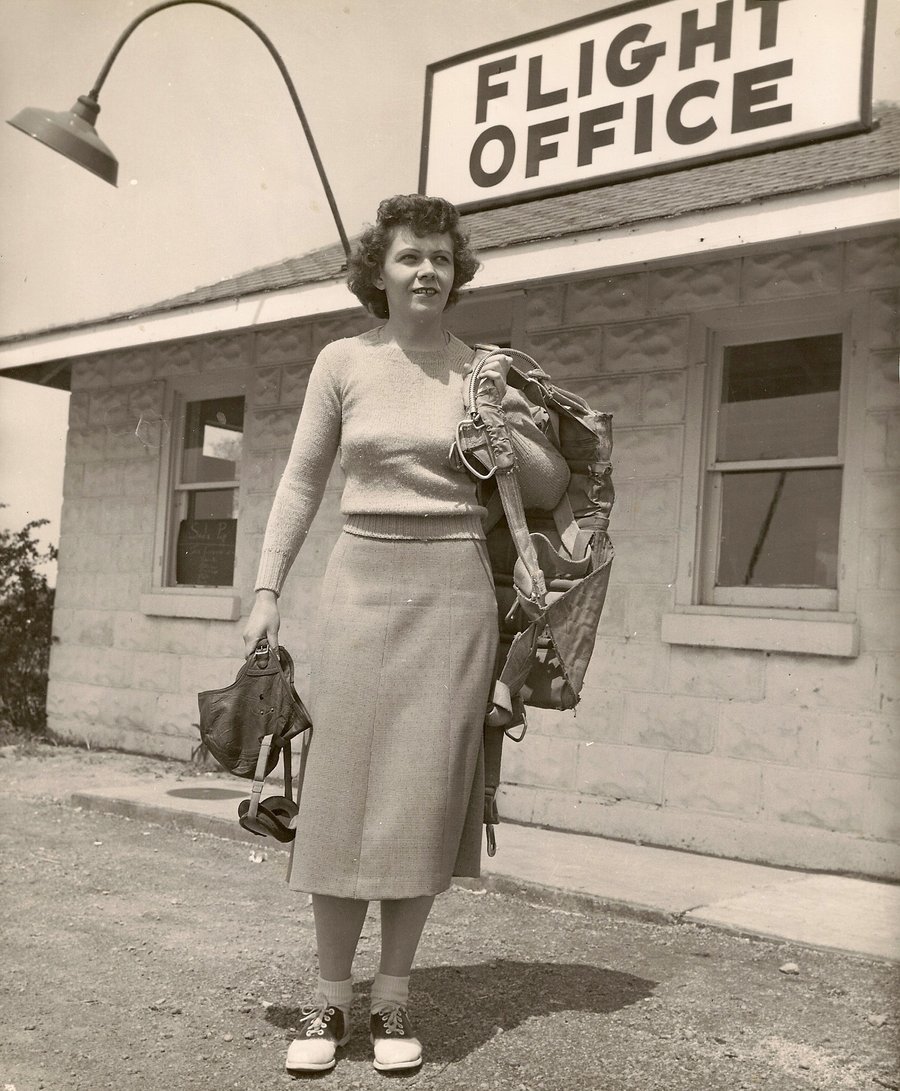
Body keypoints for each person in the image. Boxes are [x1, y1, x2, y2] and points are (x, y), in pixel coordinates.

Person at [242, 194, 513, 1076]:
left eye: (440, 256)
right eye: (409, 257)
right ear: (379, 272)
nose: (427, 269)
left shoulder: (485, 371)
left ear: (457, 271)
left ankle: (392, 996)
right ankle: (329, 997)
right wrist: (266, 588)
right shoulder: (341, 361)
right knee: (343, 798)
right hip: (360, 582)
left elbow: (548, 483)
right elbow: (299, 483)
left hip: (456, 591)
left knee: (421, 800)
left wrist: (502, 433)